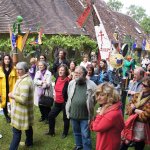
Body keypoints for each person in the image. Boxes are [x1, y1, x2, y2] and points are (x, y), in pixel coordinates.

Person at [66, 66, 97, 150]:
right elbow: (69, 96)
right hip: (73, 113)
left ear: (84, 74)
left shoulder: (92, 85)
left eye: (78, 73)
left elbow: (95, 99)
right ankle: (79, 146)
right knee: (76, 132)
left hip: (85, 115)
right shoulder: (71, 83)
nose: (76, 75)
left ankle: (87, 148)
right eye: (75, 73)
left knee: (85, 135)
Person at [90, 82, 124, 150]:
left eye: (102, 95)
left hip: (108, 145)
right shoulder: (110, 107)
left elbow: (96, 128)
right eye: (97, 95)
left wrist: (100, 114)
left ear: (110, 96)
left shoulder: (112, 113)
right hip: (106, 141)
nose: (98, 98)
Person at [9, 62, 34, 149]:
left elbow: (23, 100)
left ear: (25, 70)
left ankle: (12, 148)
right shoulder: (25, 78)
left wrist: (12, 96)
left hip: (21, 111)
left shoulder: (25, 82)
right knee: (28, 126)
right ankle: (29, 142)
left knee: (16, 131)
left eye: (20, 69)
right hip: (24, 110)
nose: (18, 71)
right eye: (17, 69)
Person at [120, 76, 150, 150]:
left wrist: (134, 109)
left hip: (142, 129)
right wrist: (138, 111)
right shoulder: (137, 95)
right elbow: (128, 108)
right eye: (142, 84)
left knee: (139, 147)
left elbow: (145, 117)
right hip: (130, 125)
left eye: (145, 85)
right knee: (124, 145)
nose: (142, 86)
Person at [46, 64, 70, 139]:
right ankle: (51, 131)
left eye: (62, 70)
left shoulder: (68, 81)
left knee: (65, 118)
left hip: (65, 103)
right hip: (57, 102)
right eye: (60, 69)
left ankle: (65, 133)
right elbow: (55, 89)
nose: (60, 71)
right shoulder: (57, 78)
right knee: (50, 116)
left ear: (66, 71)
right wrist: (54, 96)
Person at [0, 54, 17, 123]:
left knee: (13, 103)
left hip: (12, 89)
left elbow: (17, 79)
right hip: (2, 90)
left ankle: (14, 115)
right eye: (5, 59)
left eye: (8, 59)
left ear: (10, 60)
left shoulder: (14, 69)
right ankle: (7, 116)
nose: (7, 60)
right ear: (3, 61)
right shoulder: (0, 69)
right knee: (4, 104)